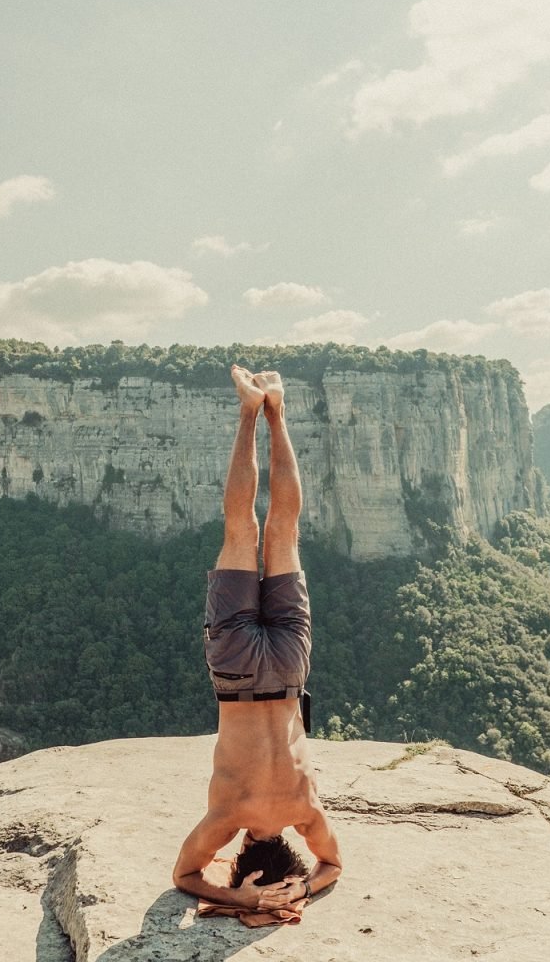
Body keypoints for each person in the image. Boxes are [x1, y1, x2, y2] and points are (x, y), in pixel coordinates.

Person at [172, 365, 342, 914]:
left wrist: (303, 886)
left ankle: (273, 410)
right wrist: (234, 895)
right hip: (237, 673)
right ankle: (256, 412)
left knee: (281, 530)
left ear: (287, 849)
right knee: (243, 527)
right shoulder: (226, 817)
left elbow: (332, 865)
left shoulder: (306, 812)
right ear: (243, 851)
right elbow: (185, 876)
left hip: (290, 673)